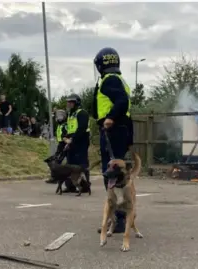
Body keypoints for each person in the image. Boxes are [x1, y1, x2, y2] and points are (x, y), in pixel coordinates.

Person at [92, 47, 133, 234]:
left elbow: (121, 101)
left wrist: (110, 118)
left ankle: (118, 219)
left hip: (112, 131)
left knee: (111, 174)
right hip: (120, 131)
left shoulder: (109, 80)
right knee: (116, 175)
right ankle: (119, 218)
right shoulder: (118, 80)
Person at [63, 93, 91, 192]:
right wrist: (65, 138)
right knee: (70, 164)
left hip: (81, 141)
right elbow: (69, 129)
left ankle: (85, 186)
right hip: (72, 141)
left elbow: (82, 128)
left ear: (76, 103)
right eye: (68, 102)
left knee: (81, 165)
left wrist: (72, 139)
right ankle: (70, 186)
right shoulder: (71, 115)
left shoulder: (82, 113)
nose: (69, 104)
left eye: (71, 102)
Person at [45, 109, 67, 184]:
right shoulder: (59, 125)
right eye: (58, 116)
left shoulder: (65, 125)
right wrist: (53, 114)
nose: (58, 118)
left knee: (57, 161)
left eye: (60, 116)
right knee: (55, 161)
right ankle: (55, 177)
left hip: (65, 144)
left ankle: (56, 178)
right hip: (60, 144)